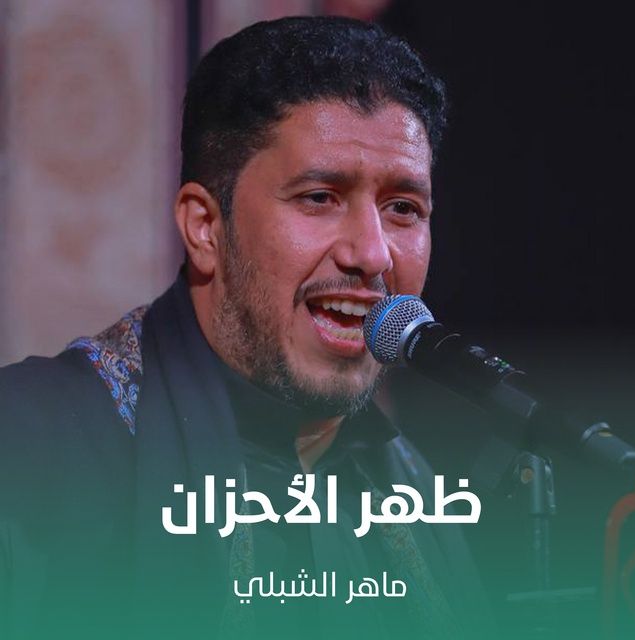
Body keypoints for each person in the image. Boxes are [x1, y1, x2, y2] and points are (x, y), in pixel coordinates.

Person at [0, 16, 489, 640]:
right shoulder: (30, 444)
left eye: (403, 208)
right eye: (320, 197)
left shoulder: (414, 490)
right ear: (205, 227)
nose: (372, 253)